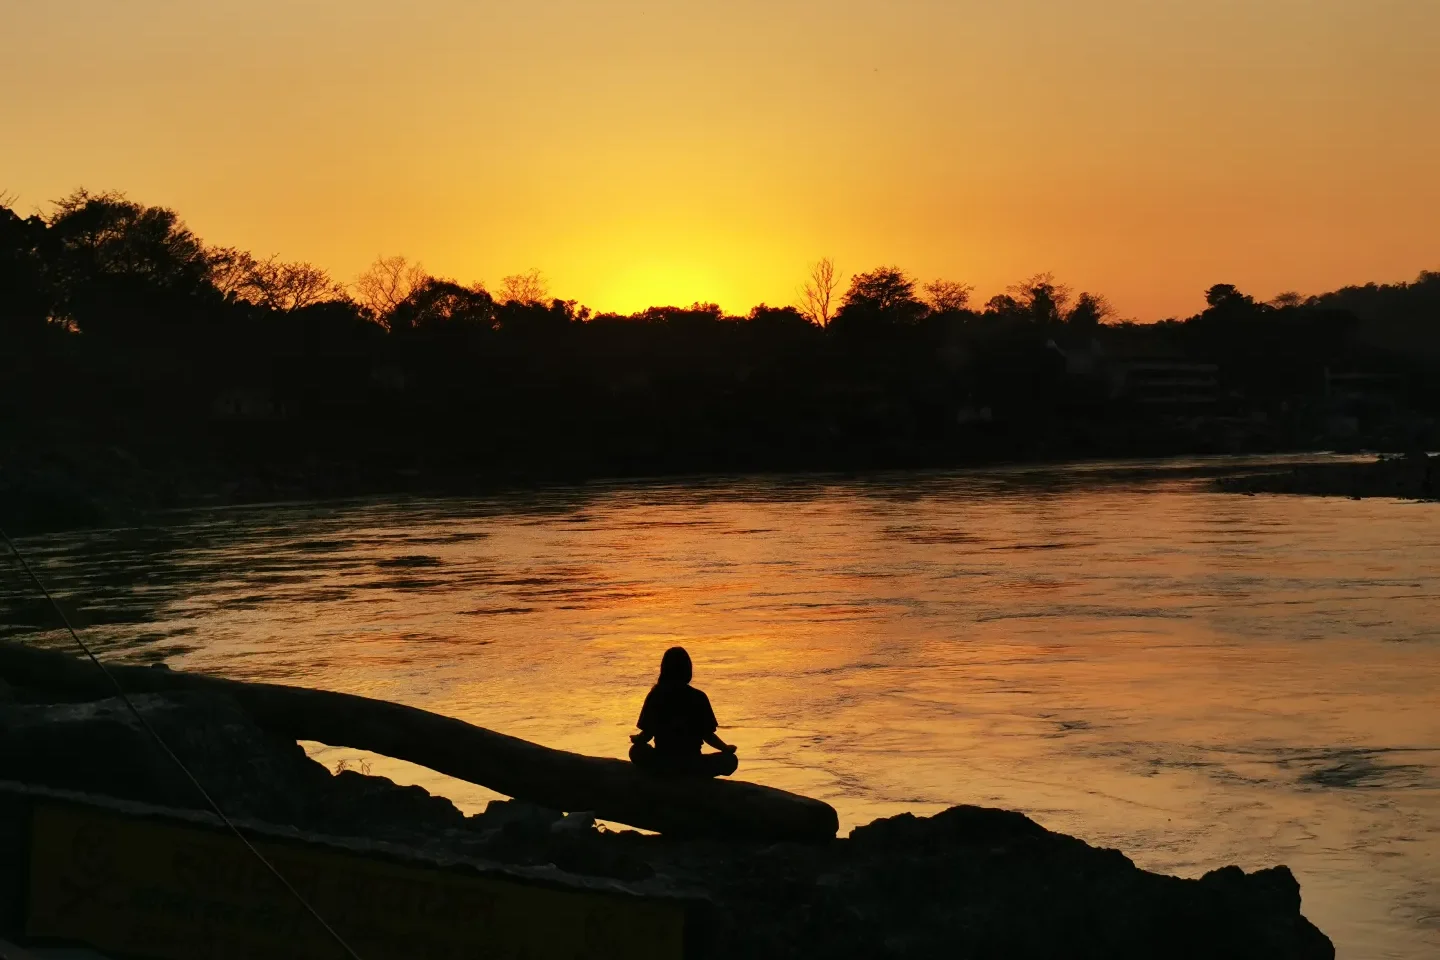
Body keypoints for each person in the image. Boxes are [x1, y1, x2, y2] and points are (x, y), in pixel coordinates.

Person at [629, 646, 739, 777]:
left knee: (636, 751)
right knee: (730, 760)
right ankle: (691, 774)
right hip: (693, 762)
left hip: (663, 761)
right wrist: (725, 748)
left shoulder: (656, 694)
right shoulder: (699, 697)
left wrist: (638, 739)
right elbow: (708, 735)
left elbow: (648, 733)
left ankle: (667, 772)